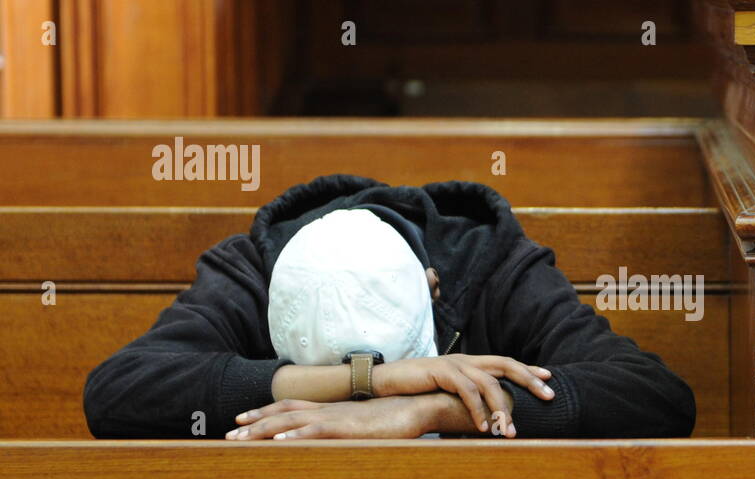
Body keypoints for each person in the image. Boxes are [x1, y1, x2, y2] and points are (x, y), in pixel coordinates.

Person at [83, 174, 696, 440]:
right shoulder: (259, 269)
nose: (367, 402)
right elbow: (116, 392)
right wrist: (374, 381)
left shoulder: (491, 265)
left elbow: (655, 397)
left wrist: (429, 411)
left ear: (434, 289)